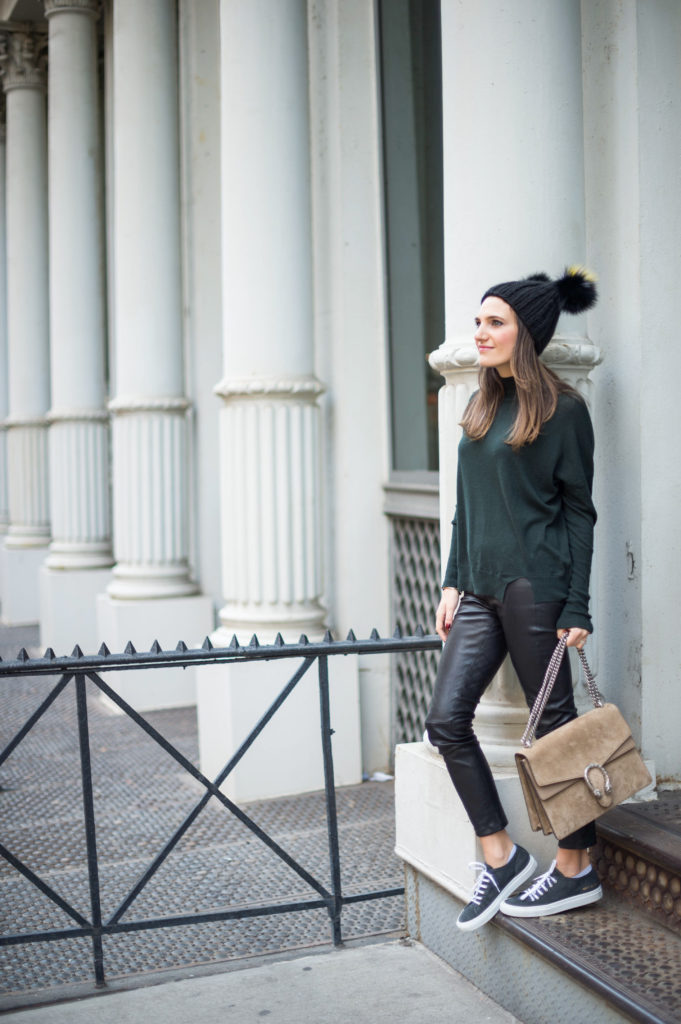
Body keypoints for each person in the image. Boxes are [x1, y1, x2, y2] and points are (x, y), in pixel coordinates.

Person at [425, 267, 603, 932]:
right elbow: (463, 509)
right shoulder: (476, 406)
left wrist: (576, 606)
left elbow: (580, 513)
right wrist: (451, 578)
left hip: (537, 586)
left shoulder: (562, 411)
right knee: (445, 721)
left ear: (525, 332)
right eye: (478, 321)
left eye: (494, 322)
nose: (480, 332)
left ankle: (574, 867)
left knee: (554, 730)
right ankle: (498, 856)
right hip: (478, 586)